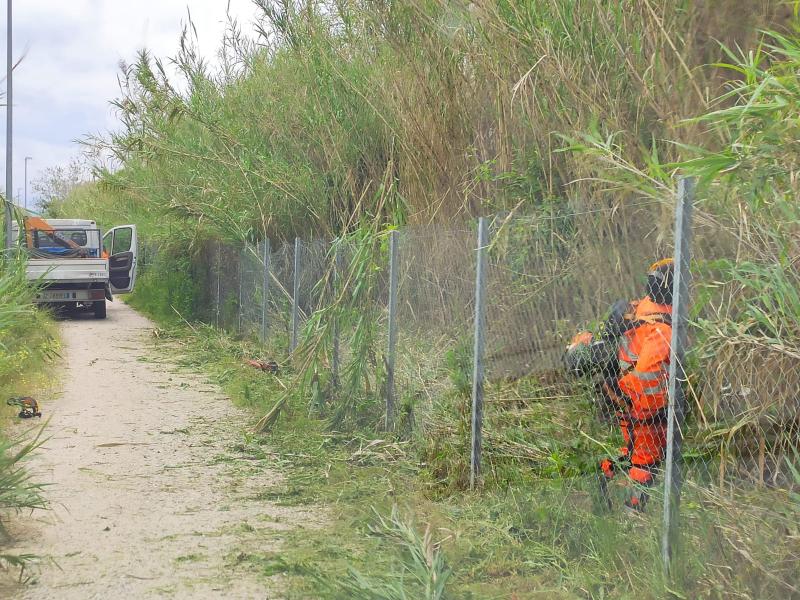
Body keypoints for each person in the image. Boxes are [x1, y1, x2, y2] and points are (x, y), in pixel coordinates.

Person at [564, 259, 674, 511]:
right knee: (644, 461)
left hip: (625, 395)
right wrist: (655, 410)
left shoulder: (641, 309)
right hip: (640, 404)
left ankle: (603, 480)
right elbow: (648, 375)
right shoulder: (661, 330)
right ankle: (634, 512)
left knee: (636, 453)